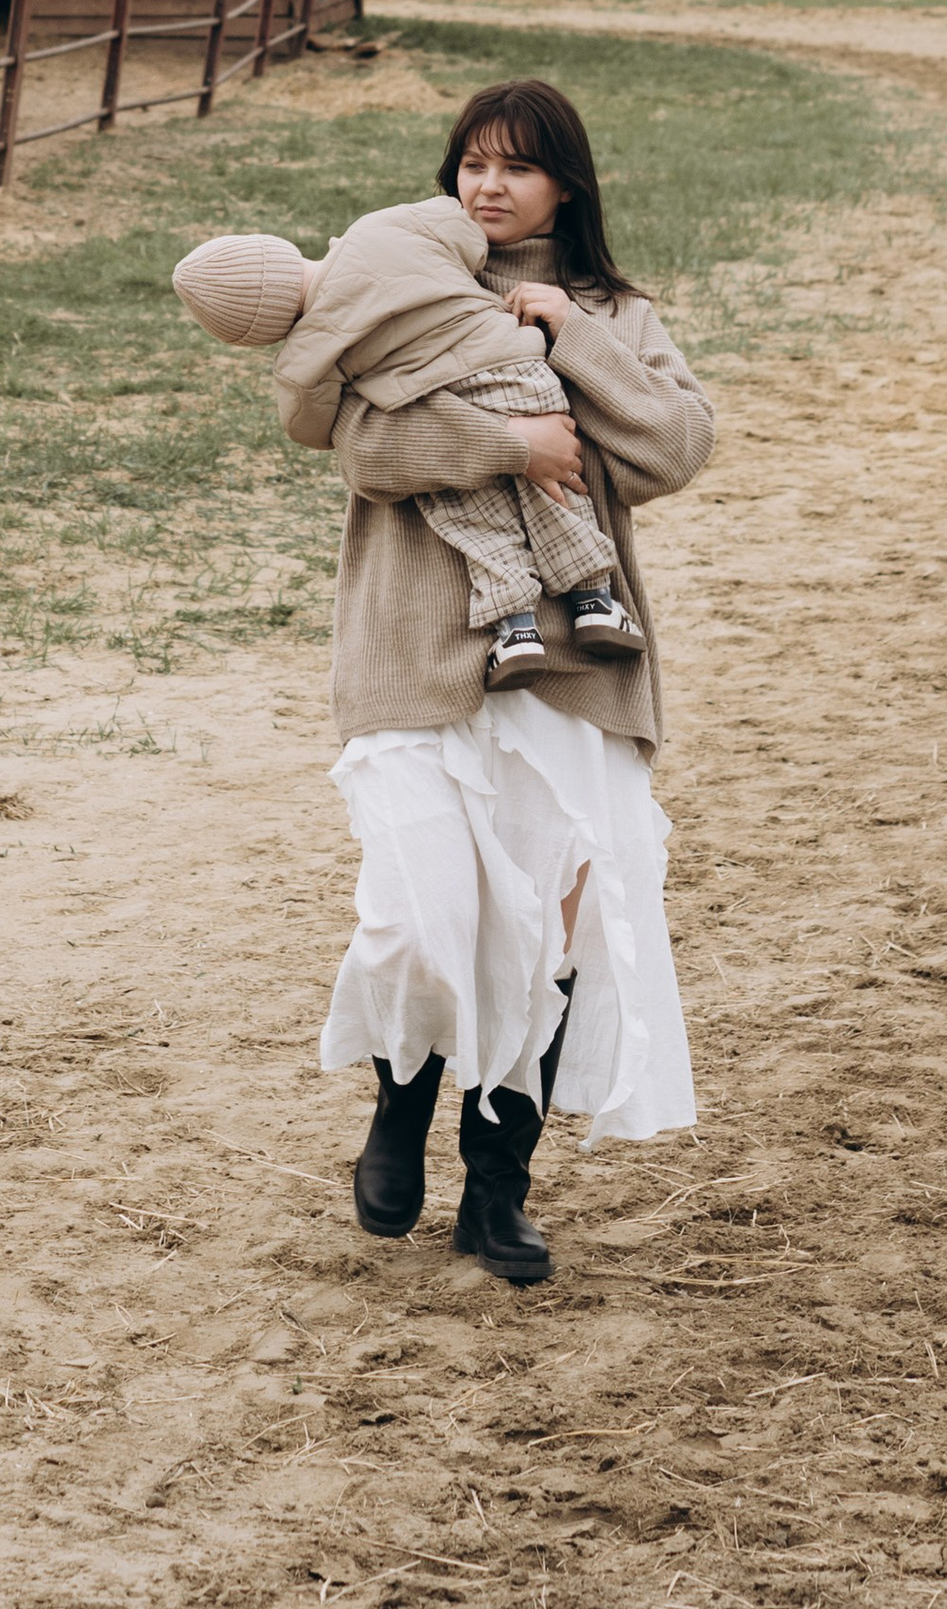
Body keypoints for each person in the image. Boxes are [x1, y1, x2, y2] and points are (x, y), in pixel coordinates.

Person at [277, 75, 714, 1285]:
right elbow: (359, 444)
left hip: (576, 664)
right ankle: (398, 1101)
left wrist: (572, 338)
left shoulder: (615, 311)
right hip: (415, 650)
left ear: (564, 184)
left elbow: (674, 446)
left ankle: (498, 1183)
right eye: (470, 162)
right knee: (420, 913)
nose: (487, 186)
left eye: (515, 166)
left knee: (551, 933)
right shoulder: (394, 287)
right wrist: (508, 441)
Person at [174, 200, 649, 679]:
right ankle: (595, 601)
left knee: (476, 520)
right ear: (276, 251)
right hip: (517, 370)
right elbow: (459, 230)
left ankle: (517, 630)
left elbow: (309, 426)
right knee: (559, 491)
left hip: (450, 408)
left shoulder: (306, 353)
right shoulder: (382, 228)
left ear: (259, 333)